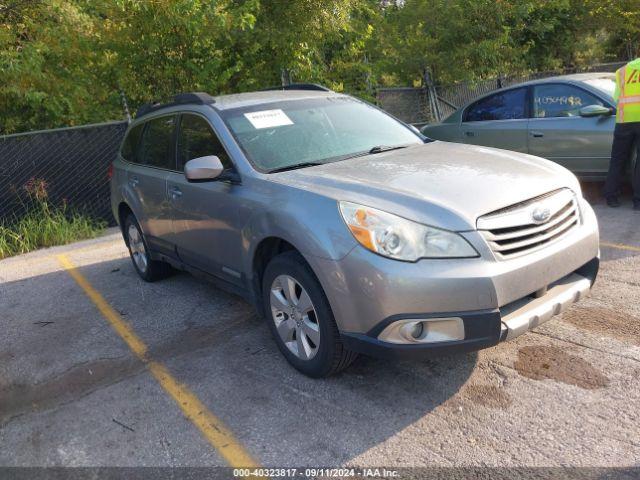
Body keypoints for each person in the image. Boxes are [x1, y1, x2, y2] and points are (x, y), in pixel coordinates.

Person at [604, 57, 640, 210]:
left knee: (618, 159)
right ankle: (637, 202)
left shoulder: (622, 71)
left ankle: (611, 197)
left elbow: (616, 98)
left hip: (624, 121)